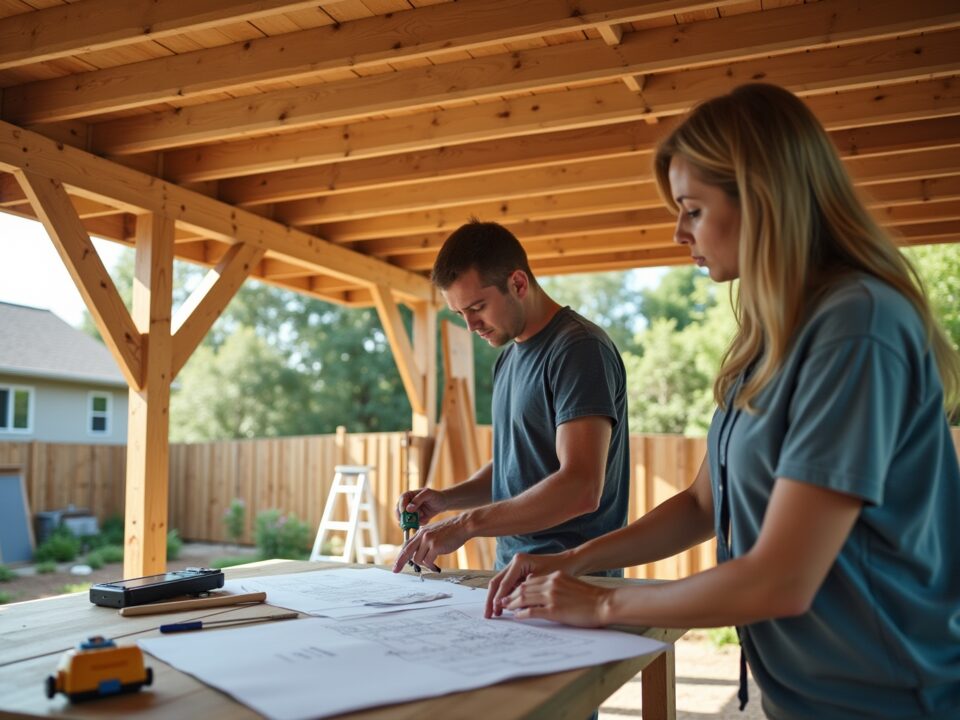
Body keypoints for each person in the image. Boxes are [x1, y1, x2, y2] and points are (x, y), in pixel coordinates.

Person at [485, 83, 960, 720]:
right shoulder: (765, 339)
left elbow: (781, 579)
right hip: (803, 695)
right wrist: (574, 560)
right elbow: (703, 505)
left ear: (764, 198)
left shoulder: (858, 324)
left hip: (892, 697)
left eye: (693, 209)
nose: (679, 231)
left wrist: (602, 604)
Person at [392, 220, 631, 577]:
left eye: (477, 307)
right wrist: (447, 500)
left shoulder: (578, 349)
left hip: (575, 582)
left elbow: (582, 487)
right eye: (460, 314)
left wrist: (465, 524)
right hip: (511, 575)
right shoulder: (508, 358)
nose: (470, 325)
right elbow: (516, 469)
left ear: (518, 283)